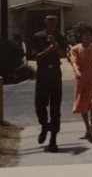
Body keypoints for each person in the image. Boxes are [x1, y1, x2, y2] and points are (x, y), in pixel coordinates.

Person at [31, 13, 67, 153]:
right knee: (40, 106)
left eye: (54, 22)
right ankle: (45, 126)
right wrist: (49, 49)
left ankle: (53, 140)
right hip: (42, 75)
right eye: (49, 21)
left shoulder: (60, 37)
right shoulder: (37, 37)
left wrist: (55, 45)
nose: (52, 24)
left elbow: (63, 55)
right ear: (45, 22)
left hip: (55, 75)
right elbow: (35, 57)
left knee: (55, 109)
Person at [69, 25, 92, 140]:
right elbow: (74, 62)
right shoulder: (75, 49)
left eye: (89, 35)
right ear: (81, 36)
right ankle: (87, 128)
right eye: (85, 35)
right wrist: (77, 71)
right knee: (83, 103)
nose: (87, 37)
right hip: (81, 78)